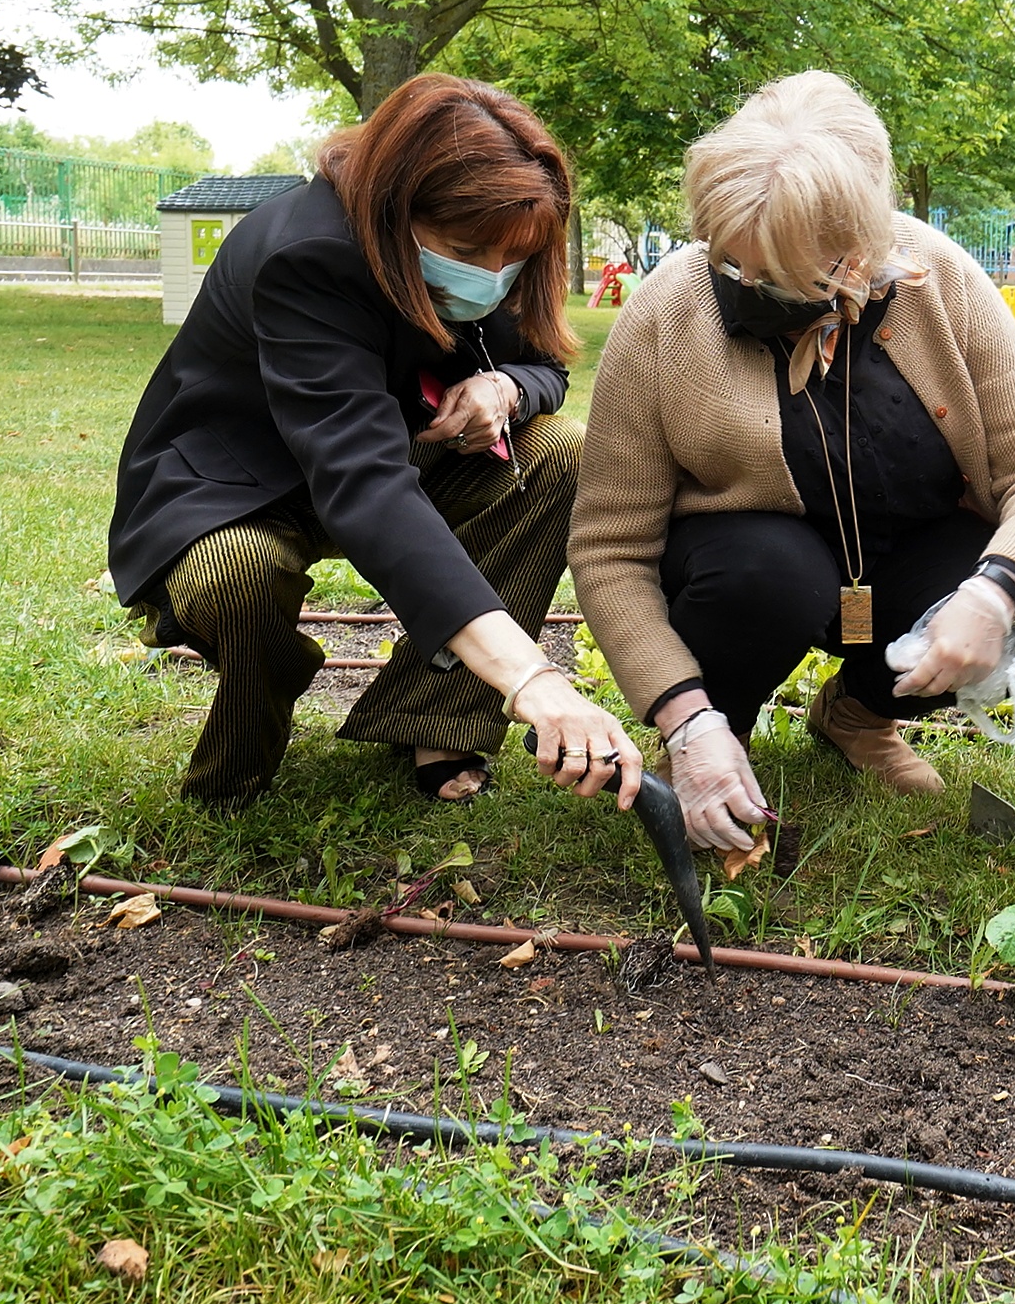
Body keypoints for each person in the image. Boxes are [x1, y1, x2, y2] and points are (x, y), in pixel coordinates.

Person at [569, 72, 1015, 849]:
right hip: (749, 576)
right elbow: (609, 546)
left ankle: (859, 716)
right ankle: (714, 740)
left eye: (783, 276)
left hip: (898, 561)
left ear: (861, 245)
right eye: (731, 264)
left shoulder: (939, 280)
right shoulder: (665, 315)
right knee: (768, 576)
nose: (749, 293)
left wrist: (991, 594)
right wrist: (683, 716)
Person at [108, 75, 638, 808]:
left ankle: (435, 718)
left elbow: (543, 365)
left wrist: (505, 388)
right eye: (465, 250)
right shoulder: (308, 255)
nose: (491, 277)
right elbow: (364, 480)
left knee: (555, 454)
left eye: (510, 260)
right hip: (242, 485)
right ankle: (238, 760)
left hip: (386, 455)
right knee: (239, 576)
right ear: (399, 206)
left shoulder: (494, 235)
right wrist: (532, 677)